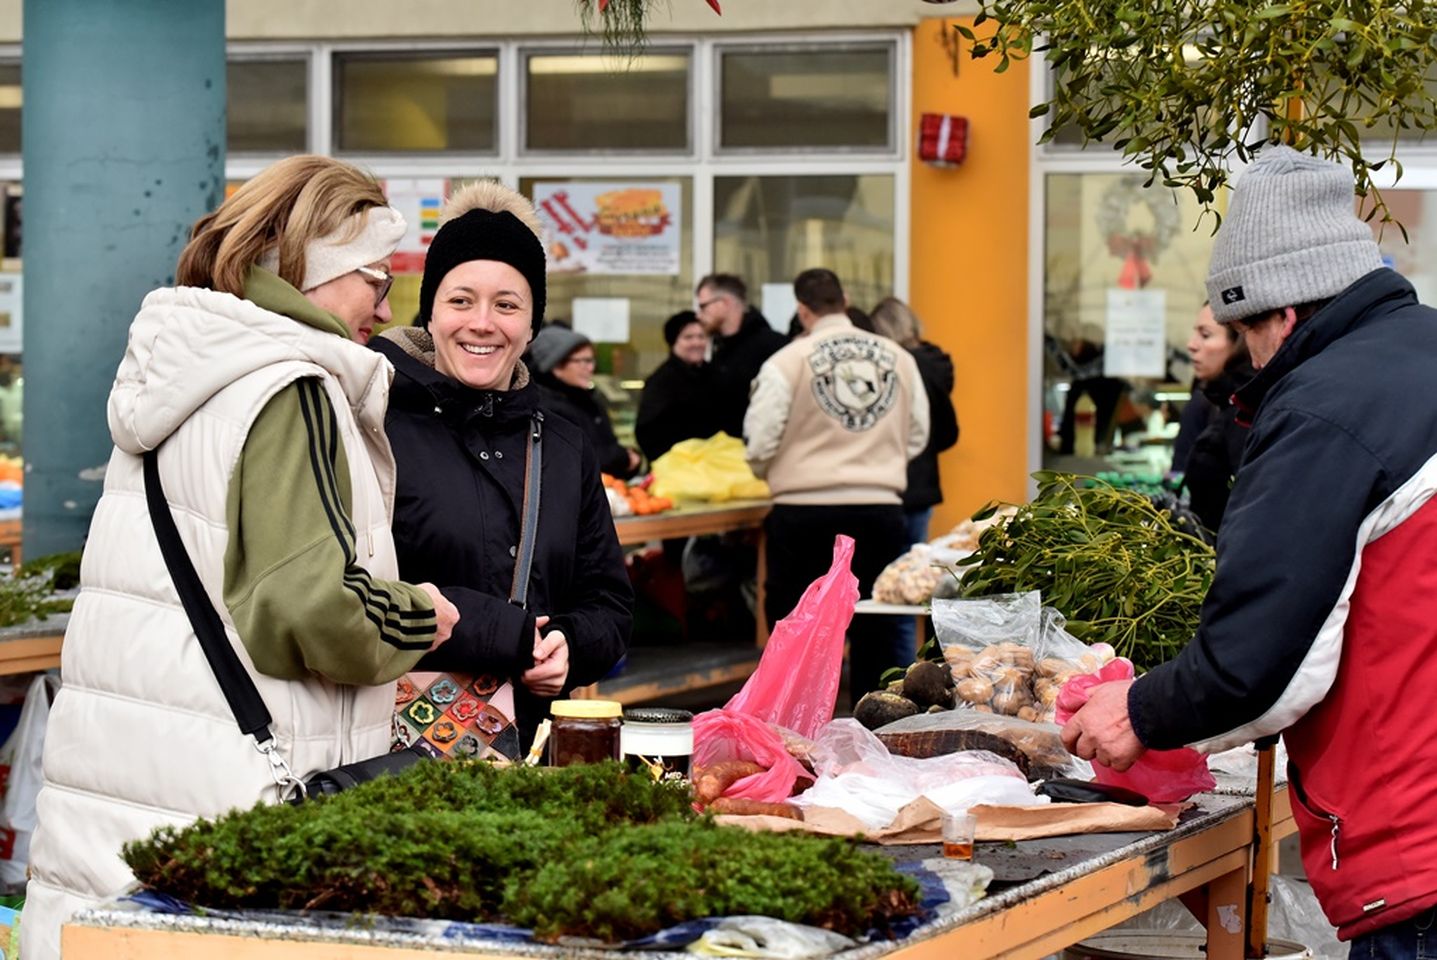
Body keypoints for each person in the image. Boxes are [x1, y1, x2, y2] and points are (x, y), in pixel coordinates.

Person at [23, 155, 461, 960]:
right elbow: (303, 605)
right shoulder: (290, 386)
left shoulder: (191, 370)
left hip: (137, 794)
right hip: (234, 803)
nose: (387, 303)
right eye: (374, 276)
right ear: (310, 270)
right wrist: (417, 614)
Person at [1060, 146, 1437, 955]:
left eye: (1241, 331)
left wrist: (1138, 710)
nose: (1245, 355)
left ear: (1282, 314)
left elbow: (1259, 661)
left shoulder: (1322, 411)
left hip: (1419, 852)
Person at [373, 181, 631, 748]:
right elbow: (345, 591)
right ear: (431, 313)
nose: (483, 323)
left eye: (507, 305)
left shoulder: (563, 441)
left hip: (525, 748)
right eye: (461, 300)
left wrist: (569, 647)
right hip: (388, 747)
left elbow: (609, 603)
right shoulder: (371, 421)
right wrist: (507, 635)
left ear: (532, 324)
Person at [745, 268, 929, 700]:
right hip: (880, 506)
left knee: (797, 628)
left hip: (802, 511)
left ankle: (795, 731)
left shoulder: (786, 361)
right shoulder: (899, 358)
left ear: (802, 309)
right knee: (878, 630)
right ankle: (876, 731)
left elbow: (760, 439)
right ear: (845, 299)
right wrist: (880, 458)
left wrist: (773, 469)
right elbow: (918, 433)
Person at [869, 297, 960, 545]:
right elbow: (948, 432)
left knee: (881, 570)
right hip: (923, 484)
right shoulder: (935, 366)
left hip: (887, 483)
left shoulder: (893, 368)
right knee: (911, 567)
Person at [528, 324, 642, 479]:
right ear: (557, 366)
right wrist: (625, 458)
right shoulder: (546, 408)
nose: (590, 368)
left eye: (592, 361)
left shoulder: (588, 401)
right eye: (584, 361)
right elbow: (576, 459)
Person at [1180, 302, 1254, 534]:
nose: (1191, 345)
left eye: (1205, 334)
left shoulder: (1246, 411)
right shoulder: (1221, 400)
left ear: (1239, 342)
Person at [695, 273, 786, 438]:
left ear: (724, 303)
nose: (699, 315)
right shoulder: (721, 350)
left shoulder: (772, 347)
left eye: (703, 306)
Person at [634, 309, 721, 462]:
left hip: (715, 466)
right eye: (688, 337)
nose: (696, 342)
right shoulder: (661, 382)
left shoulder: (716, 374)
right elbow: (647, 432)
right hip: (678, 469)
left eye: (701, 336)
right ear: (673, 342)